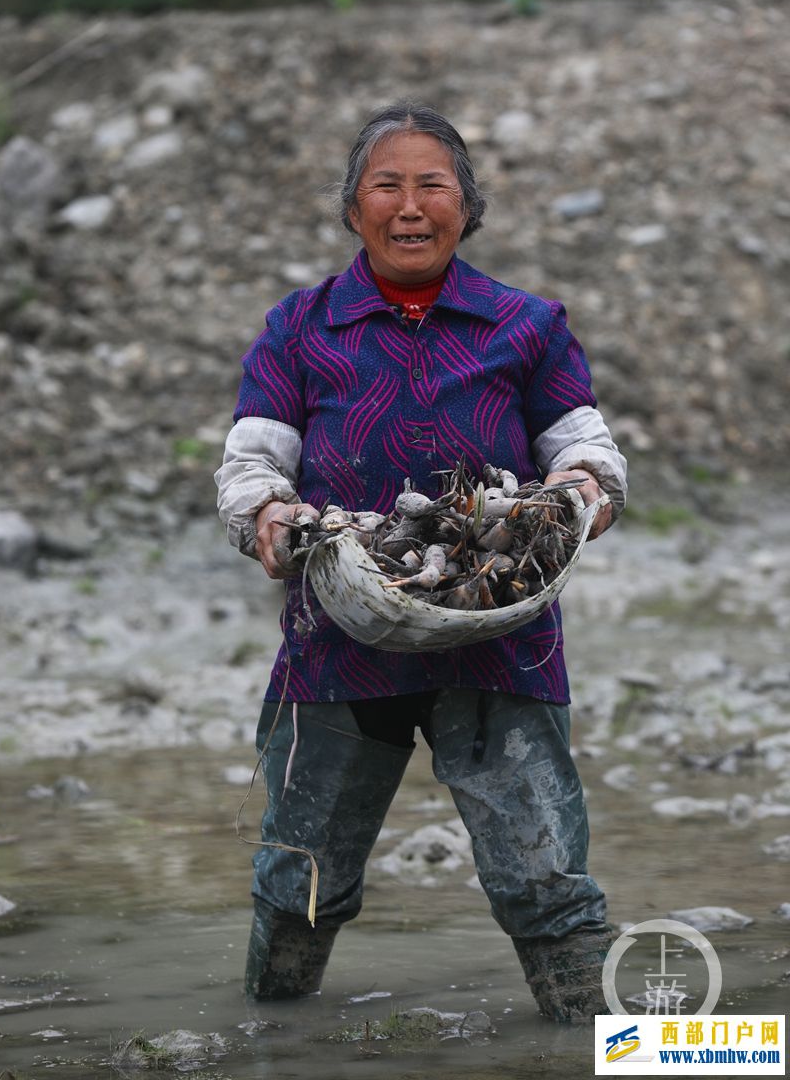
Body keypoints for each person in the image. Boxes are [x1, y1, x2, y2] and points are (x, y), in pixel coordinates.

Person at [214, 101, 627, 1021]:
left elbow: (586, 448)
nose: (410, 206)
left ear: (466, 207)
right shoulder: (301, 326)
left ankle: (603, 1041)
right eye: (386, 186)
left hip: (499, 638)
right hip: (339, 644)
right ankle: (272, 1033)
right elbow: (252, 463)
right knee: (301, 875)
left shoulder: (527, 323)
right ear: (354, 208)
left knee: (547, 874)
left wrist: (586, 490)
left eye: (432, 185)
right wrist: (267, 514)